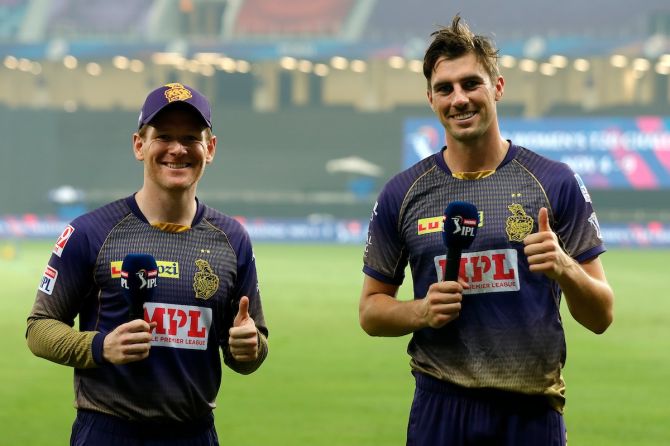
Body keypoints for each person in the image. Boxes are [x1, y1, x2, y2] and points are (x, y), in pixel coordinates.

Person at [358, 16, 614, 446]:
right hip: (441, 409)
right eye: (445, 89)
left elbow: (602, 315)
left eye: (471, 83)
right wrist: (420, 311)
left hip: (531, 411)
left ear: (497, 88)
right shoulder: (403, 193)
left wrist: (565, 268)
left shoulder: (553, 182)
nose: (459, 99)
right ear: (430, 99)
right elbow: (370, 312)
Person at [26, 82, 269, 446]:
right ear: (139, 145)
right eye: (164, 136)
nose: (178, 149)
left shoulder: (232, 239)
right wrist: (98, 347)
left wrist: (249, 348)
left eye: (191, 138)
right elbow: (39, 328)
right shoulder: (90, 232)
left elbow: (250, 351)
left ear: (211, 149)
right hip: (108, 431)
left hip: (194, 433)